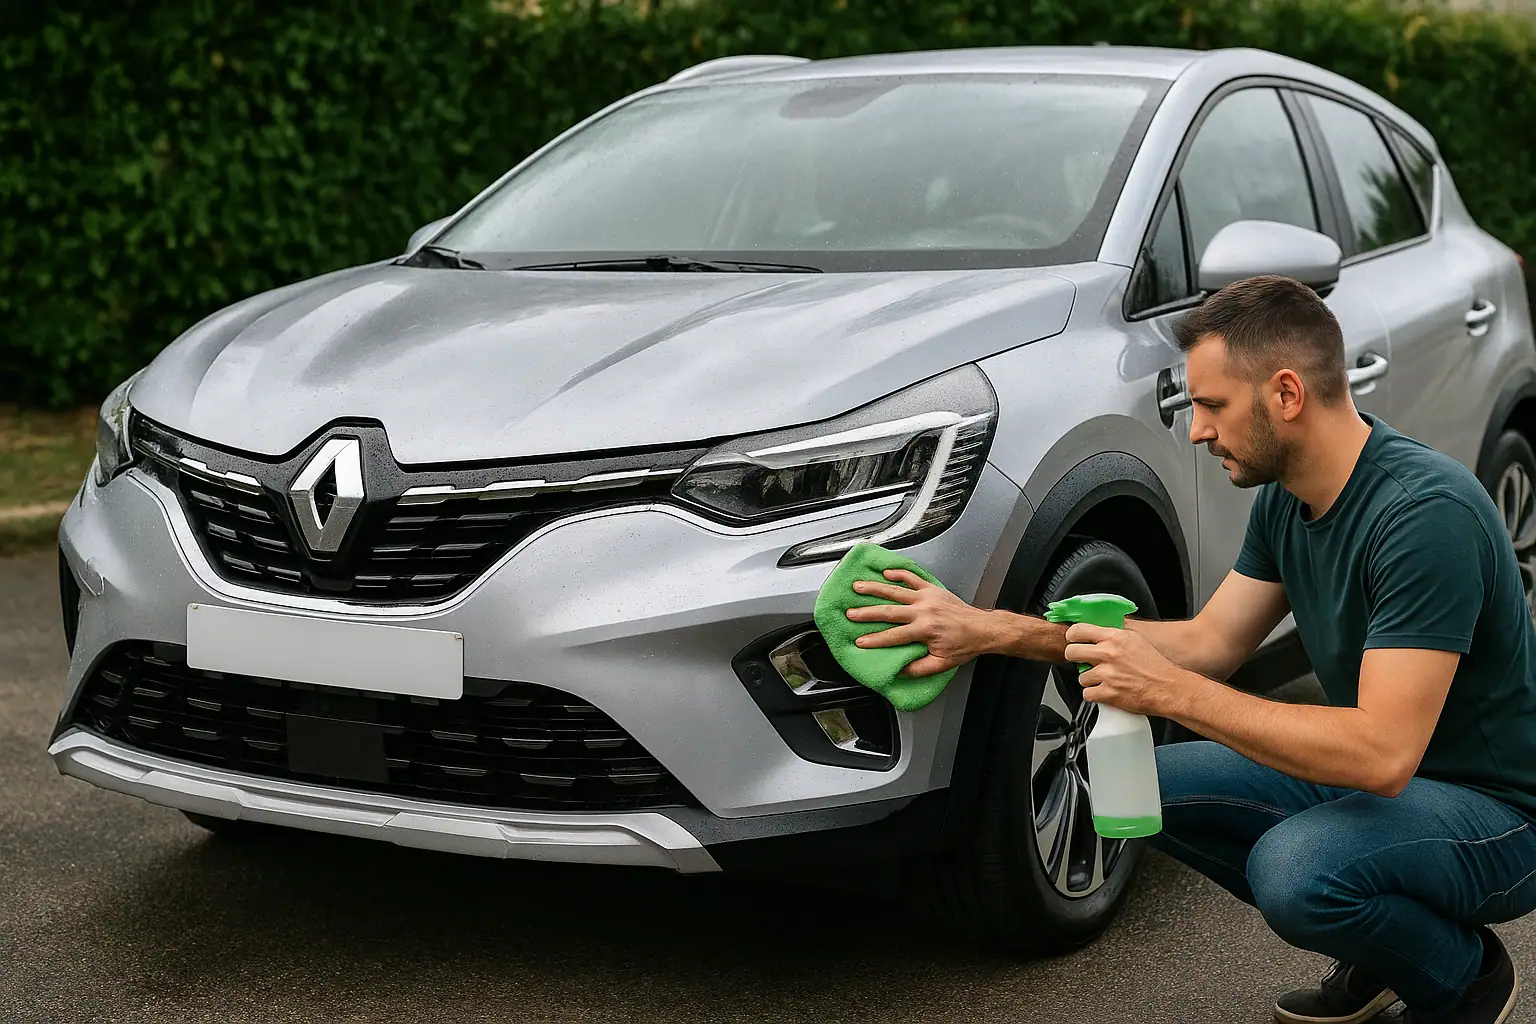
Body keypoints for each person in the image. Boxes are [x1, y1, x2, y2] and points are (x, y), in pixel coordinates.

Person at [845, 274, 1536, 1023]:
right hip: (1389, 798)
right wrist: (992, 630)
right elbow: (1210, 643)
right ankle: (1388, 947)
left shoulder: (1423, 517)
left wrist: (1166, 693)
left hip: (1496, 816)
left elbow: (1380, 753)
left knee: (1296, 870)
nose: (1198, 429)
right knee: (1127, 786)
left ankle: (1463, 977)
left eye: (1212, 405)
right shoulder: (1288, 496)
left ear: (1286, 394)